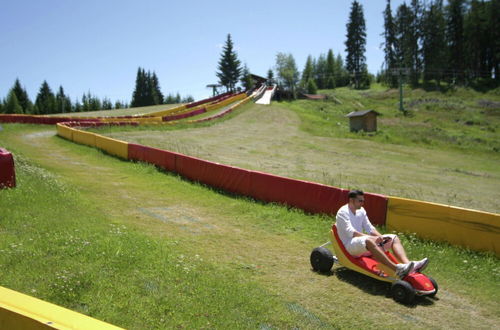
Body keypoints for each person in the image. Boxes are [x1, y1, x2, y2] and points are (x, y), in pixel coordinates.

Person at [336, 190, 428, 279]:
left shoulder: (361, 211)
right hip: (349, 247)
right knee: (368, 240)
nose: (362, 203)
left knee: (394, 238)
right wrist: (373, 238)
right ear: (351, 200)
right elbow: (351, 232)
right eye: (360, 201)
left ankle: (408, 265)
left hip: (361, 244)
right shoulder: (343, 212)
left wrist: (380, 237)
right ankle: (397, 269)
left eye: (363, 200)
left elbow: (369, 228)